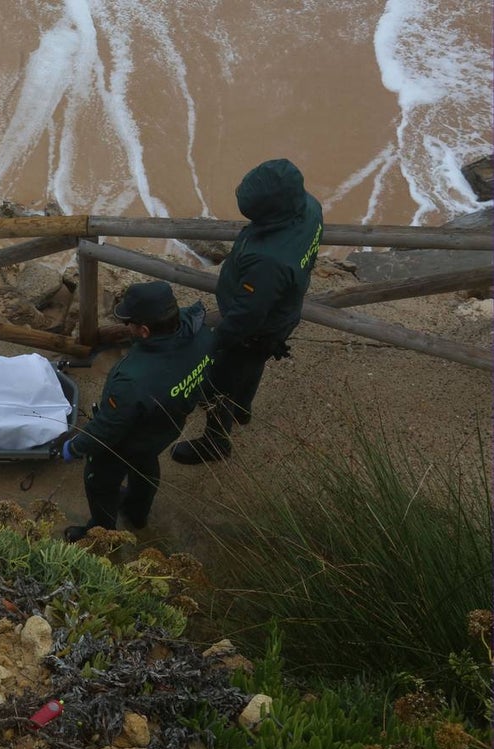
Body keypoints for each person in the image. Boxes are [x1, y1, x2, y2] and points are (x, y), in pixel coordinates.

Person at [171, 158, 323, 465]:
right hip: (281, 315)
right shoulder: (309, 207)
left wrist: (213, 344)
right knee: (252, 365)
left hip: (256, 327)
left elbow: (246, 317)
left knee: (222, 378)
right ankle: (241, 408)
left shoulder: (269, 262)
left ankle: (216, 442)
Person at [59, 282, 214, 542]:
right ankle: (137, 513)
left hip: (127, 439)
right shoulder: (202, 334)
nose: (126, 327)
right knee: (145, 465)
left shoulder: (133, 380)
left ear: (143, 331)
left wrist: (74, 447)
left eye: (129, 323)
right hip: (166, 427)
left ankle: (102, 533)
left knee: (99, 482)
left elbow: (107, 428)